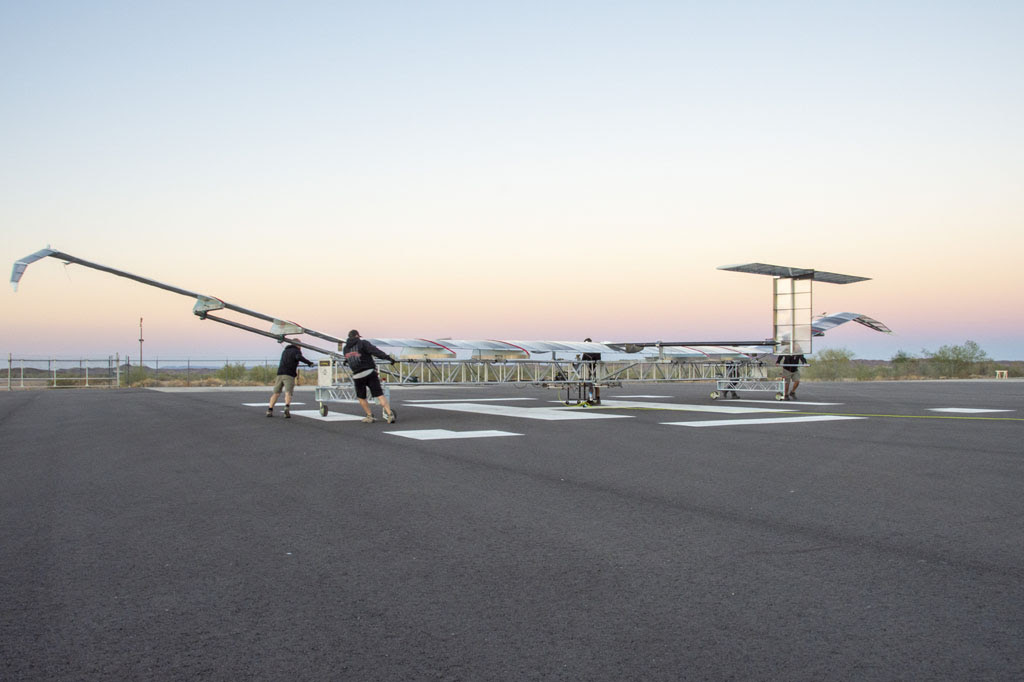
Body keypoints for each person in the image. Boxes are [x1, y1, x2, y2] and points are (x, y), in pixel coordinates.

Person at [342, 330, 398, 423]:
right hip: (369, 372)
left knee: (361, 397)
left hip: (357, 376)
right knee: (379, 394)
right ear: (357, 336)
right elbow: (375, 351)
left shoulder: (345, 348)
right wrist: (388, 358)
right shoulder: (363, 343)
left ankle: (369, 416)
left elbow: (349, 358)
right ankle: (389, 414)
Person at [267, 339, 315, 418]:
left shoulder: (285, 351)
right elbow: (298, 357)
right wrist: (309, 363)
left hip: (280, 373)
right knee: (288, 392)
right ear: (298, 344)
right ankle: (286, 408)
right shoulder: (296, 351)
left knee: (276, 393)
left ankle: (270, 409)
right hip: (289, 374)